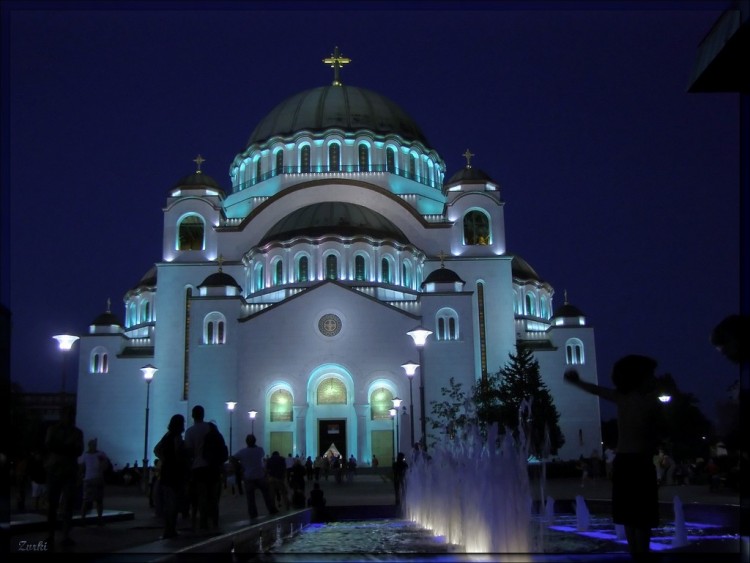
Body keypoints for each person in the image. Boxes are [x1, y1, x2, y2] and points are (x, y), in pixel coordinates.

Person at [564, 354, 664, 558]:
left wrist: (577, 382)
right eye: (651, 375)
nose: (655, 379)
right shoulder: (648, 401)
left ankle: (635, 552)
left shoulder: (624, 398)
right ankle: (641, 553)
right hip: (639, 462)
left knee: (629, 514)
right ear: (640, 378)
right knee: (642, 515)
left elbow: (596, 390)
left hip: (625, 462)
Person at [44, 404, 84, 548]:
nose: (70, 417)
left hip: (68, 471)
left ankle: (65, 535)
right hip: (55, 470)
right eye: (68, 414)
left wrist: (62, 447)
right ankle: (50, 534)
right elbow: (50, 445)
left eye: (72, 414)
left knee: (68, 505)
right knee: (52, 504)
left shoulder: (77, 433)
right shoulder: (53, 430)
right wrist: (68, 447)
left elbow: (78, 450)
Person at [183, 405, 223, 533]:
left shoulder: (190, 431)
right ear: (203, 414)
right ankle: (215, 521)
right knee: (214, 496)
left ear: (193, 415)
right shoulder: (211, 427)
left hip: (199, 467)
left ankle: (203, 522)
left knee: (202, 496)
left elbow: (189, 451)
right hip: (213, 467)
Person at [154, 414, 190, 539]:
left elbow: (156, 449)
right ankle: (170, 530)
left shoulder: (167, 436)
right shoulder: (176, 437)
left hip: (167, 472)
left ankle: (169, 529)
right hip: (174, 474)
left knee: (170, 502)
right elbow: (179, 454)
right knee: (173, 503)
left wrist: (164, 460)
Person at [232, 434, 277, 519]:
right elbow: (262, 454)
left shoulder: (242, 452)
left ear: (246, 442)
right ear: (255, 441)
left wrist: (239, 466)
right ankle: (271, 509)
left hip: (248, 476)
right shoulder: (260, 450)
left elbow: (232, 458)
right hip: (260, 475)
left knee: (250, 498)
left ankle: (253, 514)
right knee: (266, 494)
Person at [79, 438, 109, 525]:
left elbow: (105, 465)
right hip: (92, 479)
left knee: (96, 500)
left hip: (93, 479)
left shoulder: (88, 455)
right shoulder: (96, 455)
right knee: (89, 501)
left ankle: (93, 519)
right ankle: (85, 519)